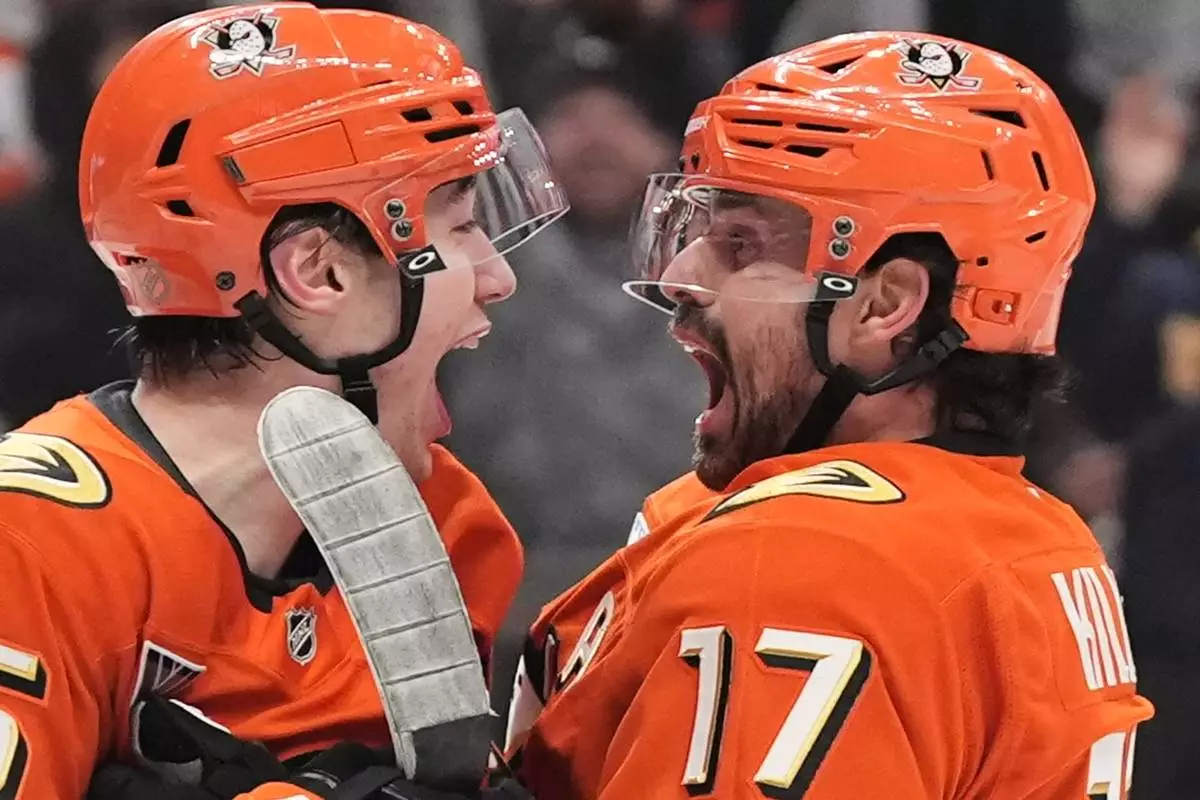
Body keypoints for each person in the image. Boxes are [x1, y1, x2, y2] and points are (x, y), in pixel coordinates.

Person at [504, 32, 1152, 799]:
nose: (678, 275)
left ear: (884, 305)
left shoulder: (799, 556)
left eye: (740, 244)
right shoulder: (1039, 536)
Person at [0, 3, 565, 799]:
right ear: (317, 271)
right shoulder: (31, 544)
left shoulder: (448, 522)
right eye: (462, 225)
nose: (498, 278)